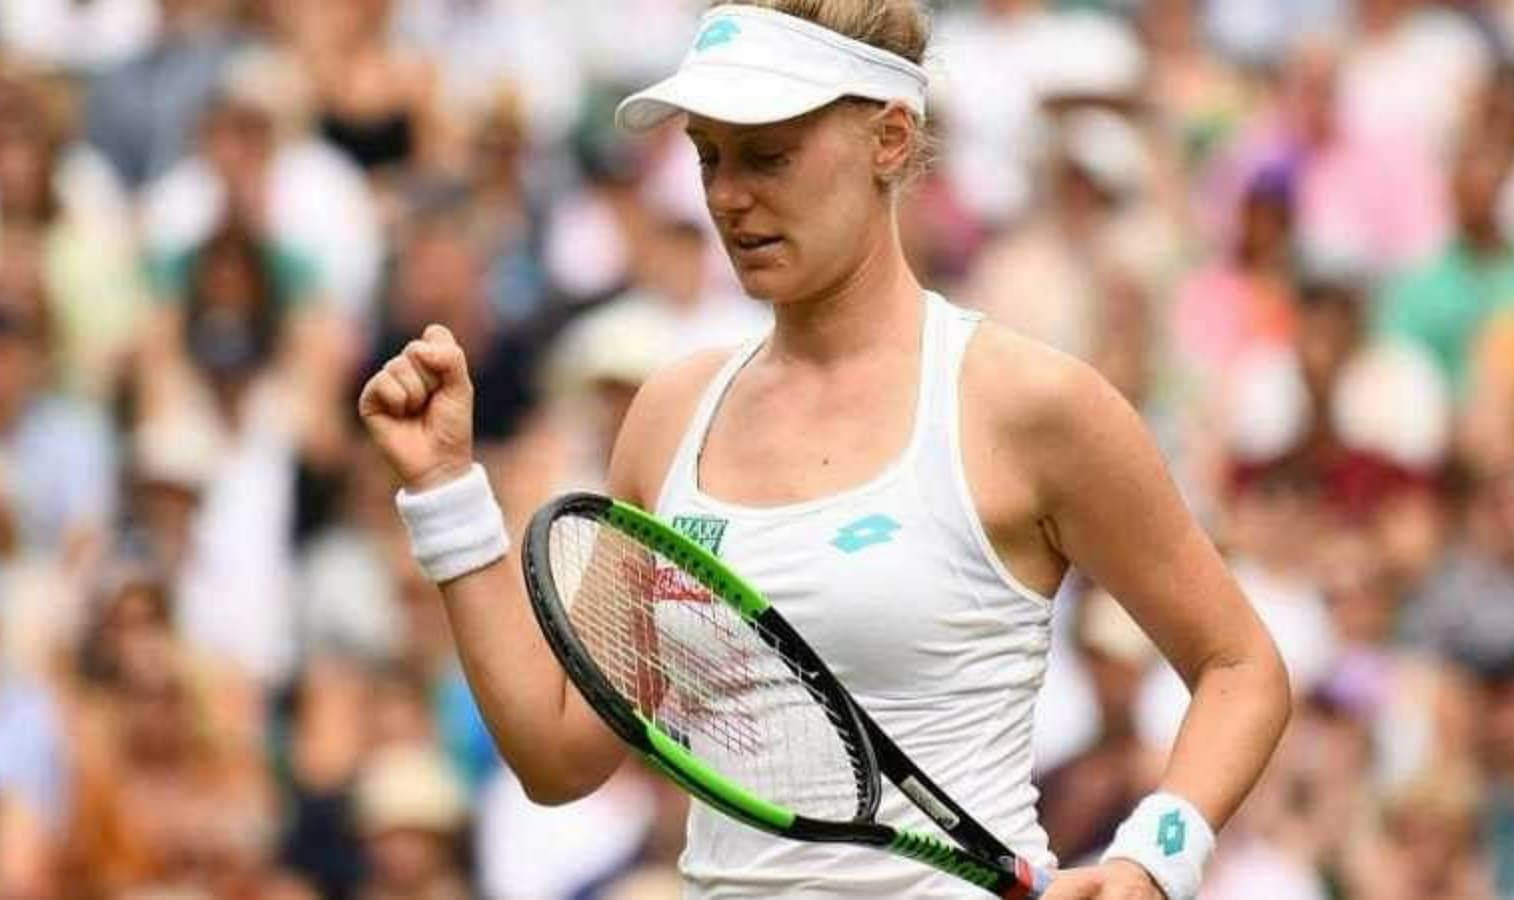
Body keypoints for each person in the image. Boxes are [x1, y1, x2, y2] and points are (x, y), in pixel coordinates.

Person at [358, 3, 1290, 898]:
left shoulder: (1027, 403)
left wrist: (1154, 857)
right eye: (707, 156)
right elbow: (560, 756)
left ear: (889, 139)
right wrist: (445, 490)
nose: (729, 196)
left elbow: (1240, 667)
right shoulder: (669, 412)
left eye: (769, 155)